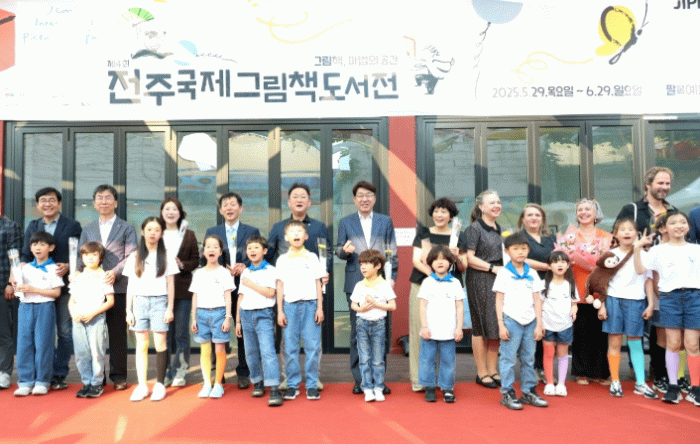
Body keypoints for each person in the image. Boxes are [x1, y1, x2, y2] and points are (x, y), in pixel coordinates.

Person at [616, 166, 675, 392]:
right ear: (648, 185)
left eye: (667, 183)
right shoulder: (631, 209)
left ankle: (659, 371)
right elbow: (617, 236)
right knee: (638, 324)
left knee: (662, 327)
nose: (664, 187)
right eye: (660, 183)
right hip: (637, 273)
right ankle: (636, 367)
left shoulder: (673, 212)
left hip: (664, 276)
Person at [267, 182, 330, 391]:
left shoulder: (319, 227)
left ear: (309, 202)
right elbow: (268, 254)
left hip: (312, 293)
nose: (299, 200)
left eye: (303, 196)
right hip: (288, 296)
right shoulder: (278, 228)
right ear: (289, 202)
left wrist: (326, 271)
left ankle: (314, 377)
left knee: (313, 341)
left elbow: (325, 252)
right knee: (288, 342)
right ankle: (288, 377)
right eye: (295, 196)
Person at [336, 181, 398, 395]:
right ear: (354, 200)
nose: (365, 199)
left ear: (374, 198)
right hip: (356, 284)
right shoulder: (345, 222)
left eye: (369, 195)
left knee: (381, 333)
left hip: (380, 284)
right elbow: (338, 251)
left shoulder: (385, 221)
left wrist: (391, 279)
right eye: (360, 195)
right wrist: (344, 251)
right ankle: (360, 379)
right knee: (357, 333)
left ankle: (378, 379)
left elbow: (392, 253)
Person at [634, 211, 700, 405]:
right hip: (669, 298)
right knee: (673, 343)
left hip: (694, 297)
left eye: (682, 222)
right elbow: (640, 269)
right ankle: (673, 386)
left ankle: (696, 387)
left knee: (692, 344)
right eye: (673, 223)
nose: (678, 226)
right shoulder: (658, 251)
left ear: (688, 226)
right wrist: (637, 248)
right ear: (665, 228)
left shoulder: (696, 249)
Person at [20, 187, 82, 390]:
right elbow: (25, 254)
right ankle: (37, 374)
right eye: (43, 200)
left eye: (52, 200)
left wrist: (69, 266)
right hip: (36, 292)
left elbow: (79, 253)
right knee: (36, 334)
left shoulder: (72, 225)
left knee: (64, 331)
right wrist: (19, 274)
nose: (47, 204)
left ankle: (58, 373)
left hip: (62, 288)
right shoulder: (33, 226)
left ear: (59, 203)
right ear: (38, 205)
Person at [78, 184, 137, 391]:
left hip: (118, 286)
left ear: (116, 203)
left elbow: (132, 255)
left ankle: (119, 376)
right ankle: (97, 377)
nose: (104, 201)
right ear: (94, 203)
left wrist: (115, 272)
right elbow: (80, 256)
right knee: (94, 336)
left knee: (117, 333)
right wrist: (77, 277)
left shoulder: (126, 227)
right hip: (92, 291)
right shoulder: (88, 229)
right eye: (100, 198)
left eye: (108, 198)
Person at [406, 197, 464, 392]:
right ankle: (419, 380)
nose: (439, 215)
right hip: (423, 286)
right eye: (436, 211)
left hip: (450, 290)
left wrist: (457, 256)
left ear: (451, 216)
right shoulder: (424, 233)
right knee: (421, 332)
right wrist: (435, 277)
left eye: (444, 212)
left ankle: (444, 382)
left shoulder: (457, 236)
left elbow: (463, 266)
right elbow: (416, 260)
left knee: (446, 333)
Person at [597, 218, 658, 399]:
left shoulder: (644, 254)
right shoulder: (610, 254)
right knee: (614, 342)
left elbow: (645, 277)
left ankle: (640, 383)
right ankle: (615, 380)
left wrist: (651, 304)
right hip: (613, 300)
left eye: (631, 229)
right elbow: (602, 282)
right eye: (622, 229)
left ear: (637, 233)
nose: (627, 232)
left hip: (636, 301)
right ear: (615, 234)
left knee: (635, 341)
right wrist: (602, 305)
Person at [205, 192, 260, 389]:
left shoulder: (252, 231)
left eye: (233, 204)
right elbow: (207, 256)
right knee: (217, 328)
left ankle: (243, 371)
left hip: (244, 286)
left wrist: (246, 265)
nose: (229, 208)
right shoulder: (212, 231)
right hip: (219, 287)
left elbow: (259, 255)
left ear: (240, 208)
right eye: (225, 205)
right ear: (221, 210)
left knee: (242, 329)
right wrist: (222, 268)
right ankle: (218, 373)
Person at [557, 198, 612, 385]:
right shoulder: (570, 235)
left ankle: (600, 372)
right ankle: (581, 372)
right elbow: (562, 258)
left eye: (588, 209)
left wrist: (594, 263)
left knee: (600, 334)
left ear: (596, 213)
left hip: (599, 290)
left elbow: (608, 263)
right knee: (580, 334)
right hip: (577, 288)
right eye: (580, 210)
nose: (584, 213)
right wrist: (568, 259)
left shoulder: (605, 236)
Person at [124, 217, 179, 402]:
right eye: (149, 229)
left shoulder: (167, 255)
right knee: (141, 345)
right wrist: (128, 310)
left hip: (159, 302)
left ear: (161, 233)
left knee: (160, 343)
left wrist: (170, 308)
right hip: (139, 302)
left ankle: (160, 385)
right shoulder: (134, 256)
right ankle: (142, 386)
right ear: (142, 232)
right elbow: (131, 285)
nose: (153, 233)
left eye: (156, 230)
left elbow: (171, 284)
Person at [494, 232, 548, 410]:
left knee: (528, 358)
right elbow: (499, 300)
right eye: (516, 249)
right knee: (508, 359)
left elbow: (537, 300)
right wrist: (501, 324)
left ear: (529, 250)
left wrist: (539, 324)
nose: (520, 252)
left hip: (530, 321)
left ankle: (528, 391)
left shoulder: (532, 273)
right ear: (507, 251)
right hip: (511, 320)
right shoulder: (503, 274)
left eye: (524, 248)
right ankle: (508, 392)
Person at [276, 220, 324, 401]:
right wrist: (280, 311)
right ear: (286, 237)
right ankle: (292, 385)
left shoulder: (312, 257)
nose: (296, 234)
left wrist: (320, 308)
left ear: (306, 236)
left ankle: (311, 385)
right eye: (292, 231)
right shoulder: (282, 259)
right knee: (290, 347)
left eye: (299, 231)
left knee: (312, 347)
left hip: (311, 306)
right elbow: (279, 286)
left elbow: (318, 283)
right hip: (290, 307)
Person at [12, 232, 63, 396]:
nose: (37, 248)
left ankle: (42, 381)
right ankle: (25, 381)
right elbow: (18, 288)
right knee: (24, 344)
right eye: (34, 245)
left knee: (43, 344)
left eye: (42, 244)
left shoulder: (54, 268)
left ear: (51, 247)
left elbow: (56, 293)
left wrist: (34, 289)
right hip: (25, 307)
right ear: (30, 247)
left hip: (45, 307)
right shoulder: (24, 267)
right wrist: (16, 285)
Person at [462, 190, 503, 389]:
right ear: (481, 207)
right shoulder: (474, 229)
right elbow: (469, 258)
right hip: (480, 279)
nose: (496, 205)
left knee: (495, 324)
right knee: (480, 325)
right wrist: (492, 268)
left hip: (498, 280)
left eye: (498, 202)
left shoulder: (498, 227)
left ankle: (493, 369)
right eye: (492, 202)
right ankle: (481, 372)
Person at [236, 235, 283, 406]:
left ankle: (274, 387)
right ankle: (258, 382)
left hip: (264, 314)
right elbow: (241, 297)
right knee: (250, 352)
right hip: (246, 315)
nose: (252, 251)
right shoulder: (246, 272)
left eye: (256, 248)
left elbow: (270, 293)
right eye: (249, 248)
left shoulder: (271, 270)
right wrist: (238, 321)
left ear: (264, 251)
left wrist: (250, 284)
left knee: (267, 351)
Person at [160, 197, 199, 387]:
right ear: (162, 212)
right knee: (164, 335)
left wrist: (181, 264)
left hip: (183, 290)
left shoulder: (188, 234)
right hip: (160, 291)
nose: (170, 212)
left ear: (180, 212)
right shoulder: (157, 232)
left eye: (174, 209)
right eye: (167, 209)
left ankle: (180, 371)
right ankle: (166, 371)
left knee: (181, 334)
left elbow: (196, 260)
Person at [68, 241, 115, 398]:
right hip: (78, 320)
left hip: (96, 319)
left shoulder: (104, 276)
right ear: (81, 257)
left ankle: (96, 383)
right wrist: (73, 313)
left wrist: (93, 313)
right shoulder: (78, 277)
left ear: (100, 258)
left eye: (94, 255)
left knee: (96, 353)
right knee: (81, 354)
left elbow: (110, 301)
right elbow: (71, 300)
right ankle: (86, 382)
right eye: (86, 255)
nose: (90, 258)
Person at [418, 245, 464, 403]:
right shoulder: (427, 282)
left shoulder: (455, 283)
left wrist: (459, 328)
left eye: (444, 259)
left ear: (450, 262)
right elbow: (422, 306)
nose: (440, 262)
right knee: (427, 360)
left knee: (448, 361)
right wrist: (424, 327)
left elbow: (459, 306)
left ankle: (447, 387)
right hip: (429, 331)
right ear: (430, 263)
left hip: (449, 331)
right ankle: (429, 387)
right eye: (436, 259)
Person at [190, 235, 235, 399]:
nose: (211, 249)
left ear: (220, 252)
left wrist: (227, 317)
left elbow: (228, 296)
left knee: (220, 349)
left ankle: (218, 384)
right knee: (205, 349)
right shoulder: (198, 273)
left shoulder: (224, 273)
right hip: (201, 314)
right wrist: (193, 318)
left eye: (215, 247)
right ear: (203, 251)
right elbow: (195, 296)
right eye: (208, 246)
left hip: (219, 314)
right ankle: (207, 383)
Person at [349, 249, 397, 402]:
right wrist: (361, 308)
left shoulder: (384, 285)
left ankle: (378, 387)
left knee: (377, 359)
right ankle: (367, 388)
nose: (363, 267)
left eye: (367, 263)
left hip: (379, 325)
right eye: (361, 264)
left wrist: (376, 304)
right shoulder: (359, 285)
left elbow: (392, 306)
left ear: (377, 266)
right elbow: (353, 305)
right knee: (364, 358)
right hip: (361, 324)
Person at [517, 203, 555, 380]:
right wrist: (548, 266)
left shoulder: (550, 238)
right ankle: (530, 368)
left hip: (550, 286)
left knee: (546, 326)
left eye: (537, 215)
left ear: (543, 219)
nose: (534, 218)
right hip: (527, 286)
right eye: (530, 215)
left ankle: (544, 367)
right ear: (523, 219)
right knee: (531, 326)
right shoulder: (519, 238)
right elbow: (521, 259)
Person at [540, 251, 578, 397]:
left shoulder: (570, 285)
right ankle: (549, 383)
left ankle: (561, 384)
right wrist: (540, 324)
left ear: (568, 265)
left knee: (563, 355)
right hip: (547, 325)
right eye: (556, 262)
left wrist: (574, 310)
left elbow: (574, 303)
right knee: (548, 354)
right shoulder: (543, 285)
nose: (560, 264)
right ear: (549, 266)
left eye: (563, 262)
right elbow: (539, 305)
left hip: (565, 325)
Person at [0, 215, 22, 389]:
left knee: (3, 333)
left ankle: (4, 373)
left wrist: (10, 283)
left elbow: (15, 257)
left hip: (2, 287)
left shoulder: (9, 226)